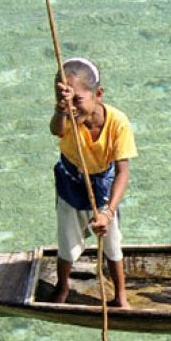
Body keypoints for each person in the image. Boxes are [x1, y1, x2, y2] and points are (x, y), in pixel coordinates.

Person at [49, 57, 137, 307]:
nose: (72, 107)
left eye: (78, 100)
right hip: (70, 181)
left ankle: (120, 295)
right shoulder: (67, 118)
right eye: (66, 101)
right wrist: (61, 109)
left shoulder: (118, 123)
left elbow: (122, 172)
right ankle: (62, 285)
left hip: (102, 186)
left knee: (111, 241)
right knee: (67, 243)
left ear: (98, 94)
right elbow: (56, 130)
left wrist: (108, 213)